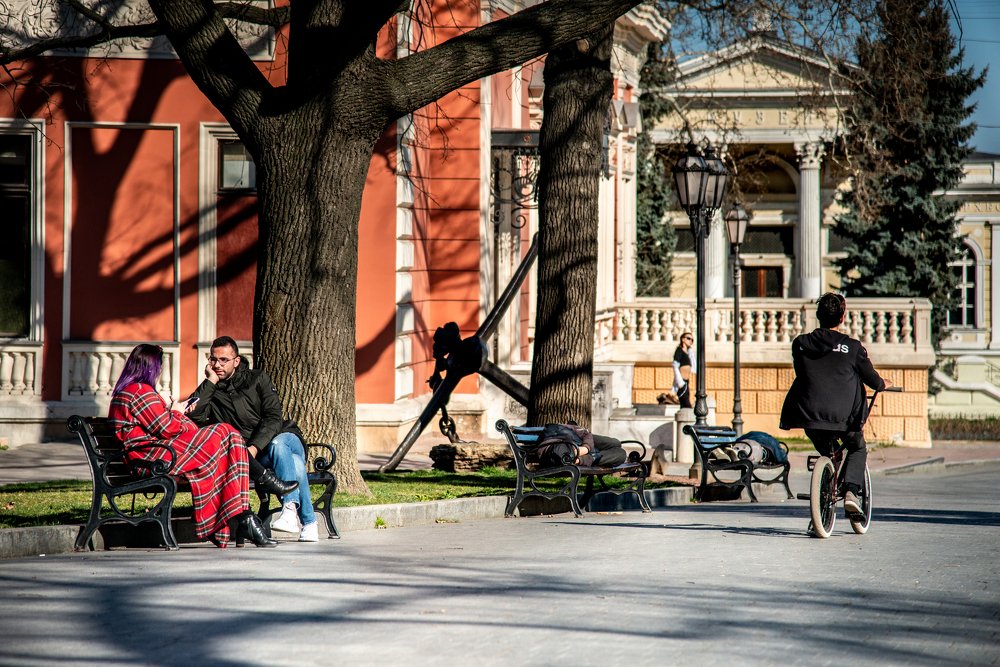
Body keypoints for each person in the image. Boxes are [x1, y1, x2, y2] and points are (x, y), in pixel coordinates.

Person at [107, 344, 277, 547]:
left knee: (225, 445)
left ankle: (245, 517)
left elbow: (161, 426)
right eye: (159, 367)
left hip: (155, 455)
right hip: (152, 460)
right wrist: (177, 412)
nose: (160, 371)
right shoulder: (139, 391)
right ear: (151, 367)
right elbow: (167, 428)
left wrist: (174, 412)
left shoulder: (132, 391)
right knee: (226, 432)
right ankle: (253, 502)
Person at [188, 336, 319, 542]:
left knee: (279, 445)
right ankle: (309, 523)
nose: (217, 365)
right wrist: (211, 381)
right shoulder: (211, 389)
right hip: (259, 458)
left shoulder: (258, 378)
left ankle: (290, 510)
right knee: (295, 465)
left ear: (236, 361)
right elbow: (193, 416)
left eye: (224, 360)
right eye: (213, 359)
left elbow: (273, 417)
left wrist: (254, 447)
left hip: (283, 438)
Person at [779, 293, 890, 517]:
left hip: (808, 415)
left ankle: (823, 494)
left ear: (818, 316)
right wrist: (883, 383)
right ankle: (850, 492)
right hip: (842, 419)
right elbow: (873, 380)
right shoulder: (853, 348)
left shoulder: (800, 344)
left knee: (827, 450)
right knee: (857, 446)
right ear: (842, 318)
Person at [672, 332, 694, 409]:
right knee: (686, 405)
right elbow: (675, 366)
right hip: (681, 383)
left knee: (685, 405)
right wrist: (680, 382)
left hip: (686, 382)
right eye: (688, 338)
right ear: (683, 339)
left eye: (692, 340)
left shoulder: (688, 352)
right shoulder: (679, 350)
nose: (690, 341)